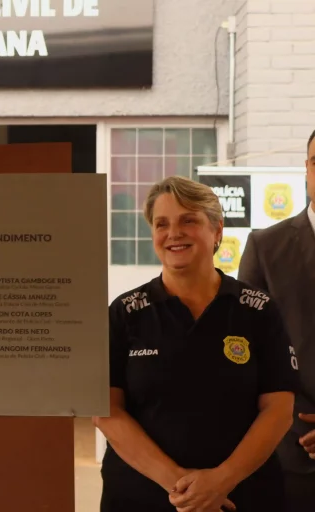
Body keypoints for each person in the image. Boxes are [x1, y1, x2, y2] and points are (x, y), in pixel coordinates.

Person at [93, 175, 299, 511]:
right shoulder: (125, 313)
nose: (174, 233)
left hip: (239, 497)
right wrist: (184, 487)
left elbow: (278, 410)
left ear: (217, 230)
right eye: (162, 224)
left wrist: (221, 481)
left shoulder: (257, 310)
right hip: (142, 497)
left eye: (189, 220)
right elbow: (106, 412)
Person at [237, 129, 315, 512]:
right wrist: (299, 420)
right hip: (292, 445)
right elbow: (246, 350)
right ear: (306, 170)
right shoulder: (265, 247)